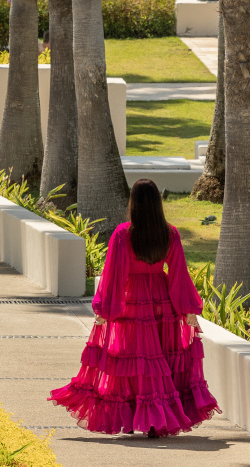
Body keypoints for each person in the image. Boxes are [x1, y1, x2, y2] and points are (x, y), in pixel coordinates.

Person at [49, 179, 217, 438]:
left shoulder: (123, 234)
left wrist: (105, 309)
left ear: (133, 203)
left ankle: (131, 419)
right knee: (159, 362)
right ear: (158, 204)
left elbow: (114, 274)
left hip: (132, 302)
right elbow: (179, 274)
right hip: (163, 302)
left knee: (131, 363)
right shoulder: (170, 233)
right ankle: (155, 423)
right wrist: (188, 309)